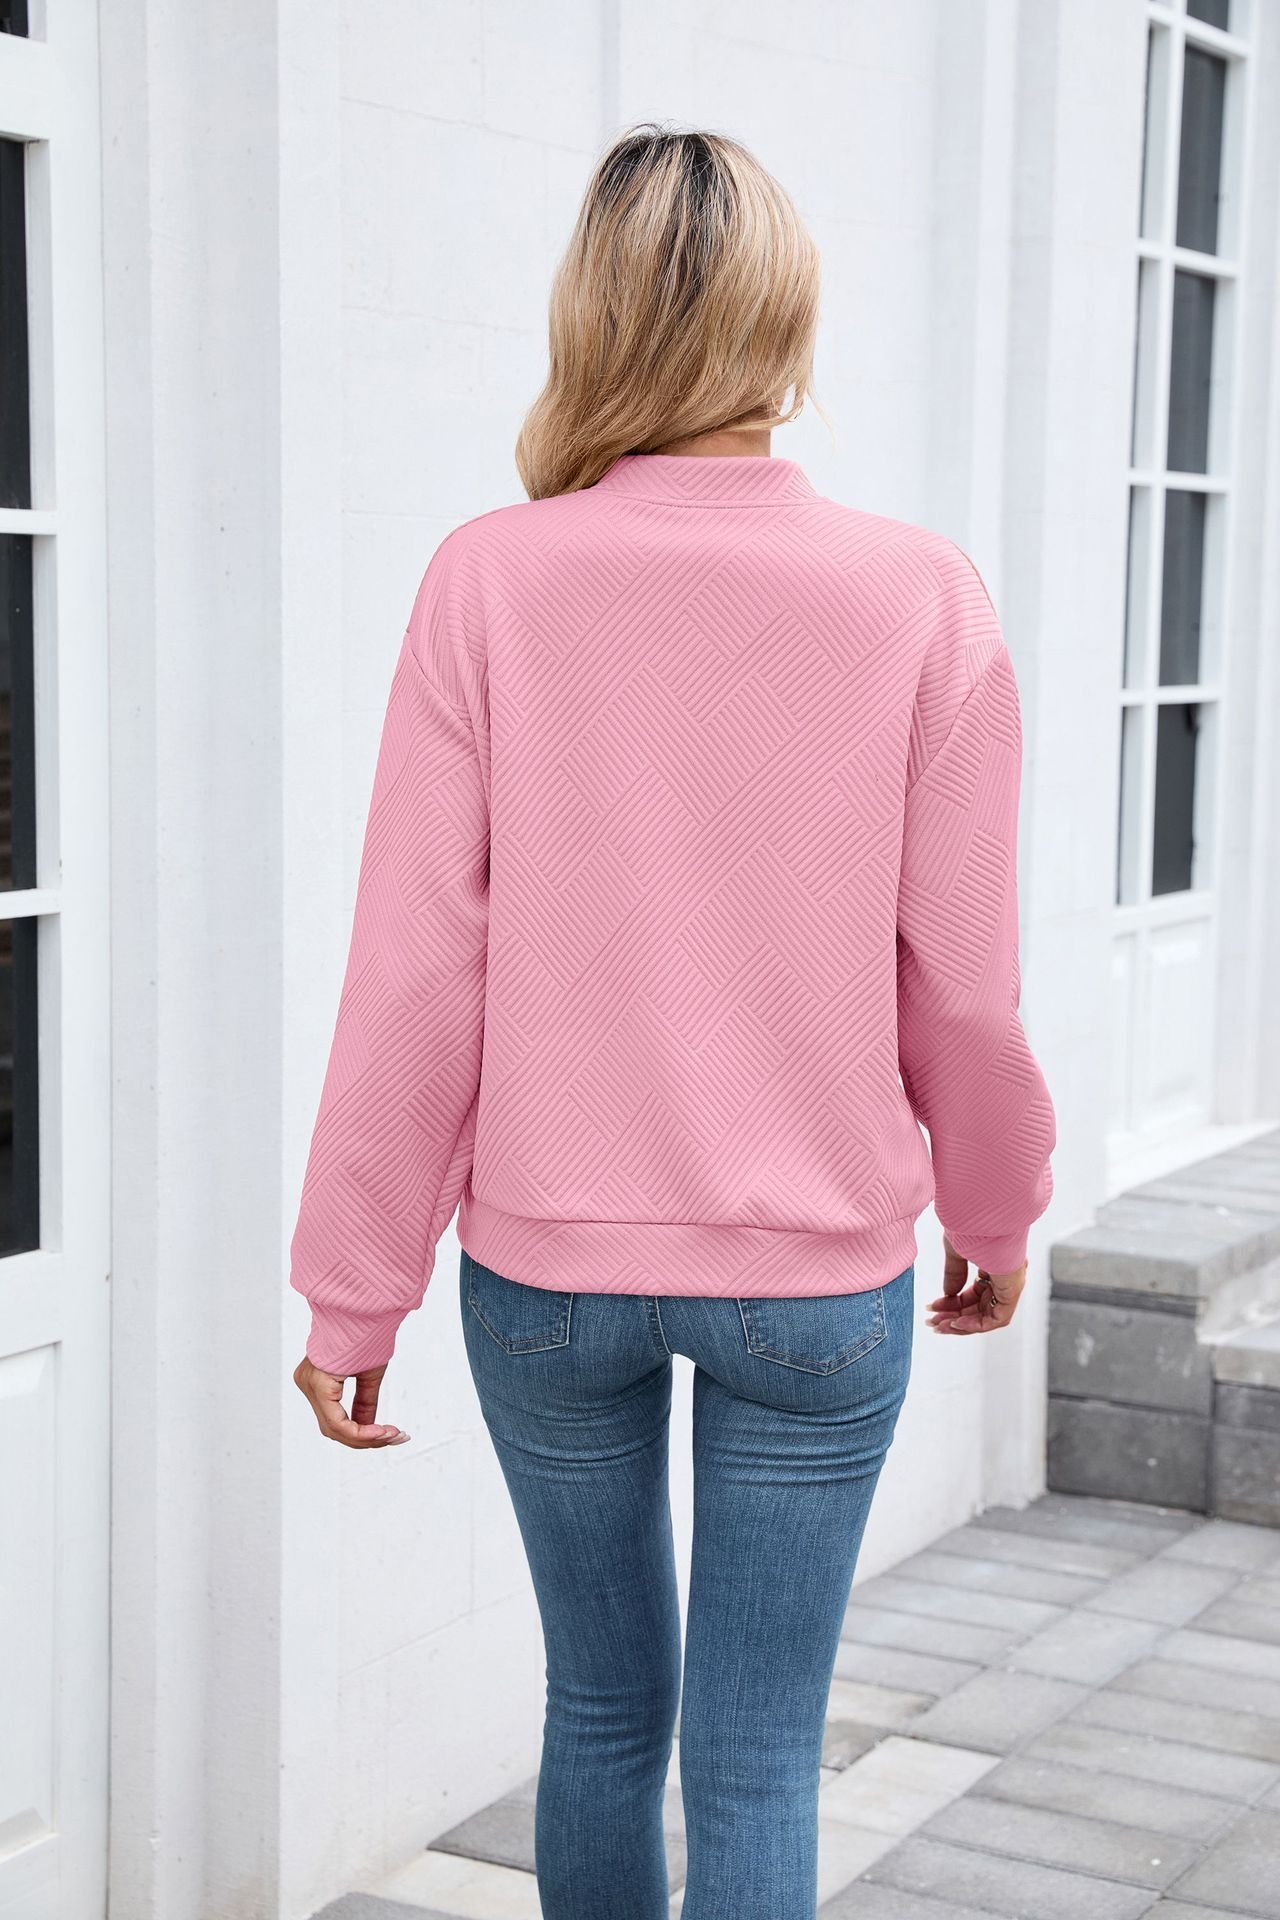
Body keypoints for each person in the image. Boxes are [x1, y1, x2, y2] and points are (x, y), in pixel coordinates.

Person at [289, 121, 1056, 1920]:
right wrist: (996, 1206)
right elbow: (962, 975)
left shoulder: (489, 577)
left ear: (595, 314)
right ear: (785, 314)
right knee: (758, 1761)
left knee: (600, 1715)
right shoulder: (918, 593)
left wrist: (354, 1287)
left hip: (548, 1279)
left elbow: (416, 969)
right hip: (818, 1284)